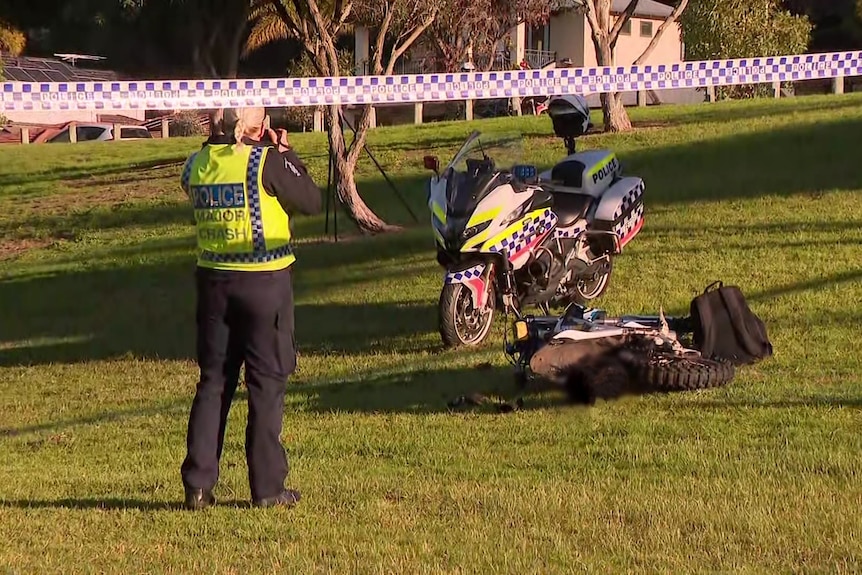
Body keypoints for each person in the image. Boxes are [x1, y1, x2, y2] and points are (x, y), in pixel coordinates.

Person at [178, 106, 322, 510]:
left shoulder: (195, 166)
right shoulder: (264, 162)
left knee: (213, 383)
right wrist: (285, 155)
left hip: (213, 285)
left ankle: (199, 485)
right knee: (266, 385)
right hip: (264, 285)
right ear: (256, 125)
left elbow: (201, 175)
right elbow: (311, 200)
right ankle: (268, 488)